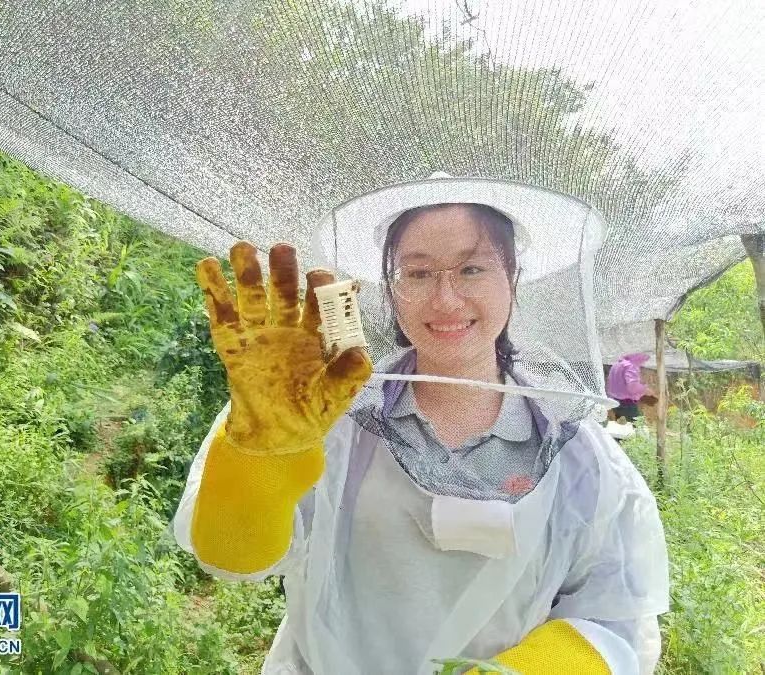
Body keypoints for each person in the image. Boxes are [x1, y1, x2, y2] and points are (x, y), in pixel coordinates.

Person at [174, 177, 669, 675]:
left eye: (472, 269)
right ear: (391, 290)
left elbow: (615, 621)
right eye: (417, 273)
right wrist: (258, 460)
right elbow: (233, 558)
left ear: (511, 278)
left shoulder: (579, 453)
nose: (446, 300)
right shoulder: (322, 414)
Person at [606, 353, 652, 423]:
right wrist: (645, 389)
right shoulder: (630, 366)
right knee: (638, 424)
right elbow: (632, 387)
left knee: (622, 425)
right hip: (627, 404)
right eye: (643, 360)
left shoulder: (616, 365)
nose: (643, 363)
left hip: (615, 402)